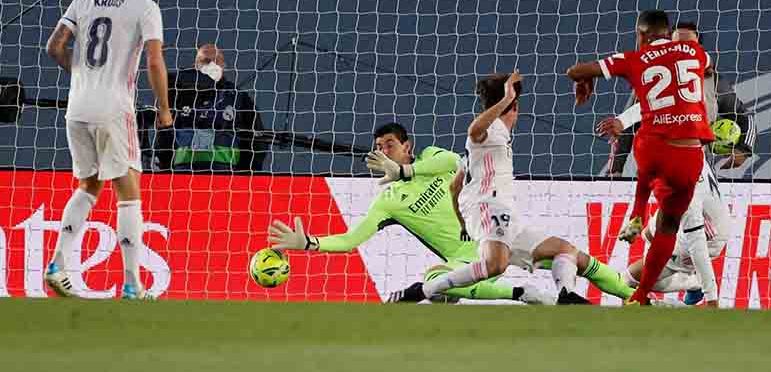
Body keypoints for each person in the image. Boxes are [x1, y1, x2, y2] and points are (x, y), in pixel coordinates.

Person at [393, 73, 636, 305]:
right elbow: (473, 132)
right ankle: (423, 290)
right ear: (515, 107)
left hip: (504, 215)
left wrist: (463, 224)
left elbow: (455, 186)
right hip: (489, 207)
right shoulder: (491, 130)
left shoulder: (487, 146)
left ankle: (566, 294)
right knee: (495, 265)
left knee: (566, 250)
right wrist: (508, 98)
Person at [268, 122, 552, 304]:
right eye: (379, 147)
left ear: (408, 146)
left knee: (568, 259)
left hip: (499, 237)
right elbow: (349, 241)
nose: (383, 151)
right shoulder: (388, 201)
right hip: (467, 260)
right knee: (435, 280)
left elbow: (456, 160)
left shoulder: (432, 158)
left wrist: (407, 171)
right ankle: (520, 293)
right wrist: (308, 243)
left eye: (389, 144)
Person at [44, 0, 171, 299]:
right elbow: (154, 62)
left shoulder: (82, 1)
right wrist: (164, 109)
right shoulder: (145, 6)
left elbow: (54, 46)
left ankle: (57, 264)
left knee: (88, 187)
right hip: (113, 109)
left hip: (78, 108)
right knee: (129, 195)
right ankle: (132, 283)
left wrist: (80, 74)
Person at [567, 9, 715, 305]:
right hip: (690, 155)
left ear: (642, 34)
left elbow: (575, 70)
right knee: (669, 226)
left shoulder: (633, 59)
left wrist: (585, 81)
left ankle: (636, 212)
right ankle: (641, 295)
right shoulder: (695, 52)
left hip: (654, 150)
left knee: (647, 150)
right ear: (668, 31)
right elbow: (707, 65)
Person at [597, 23, 736, 306]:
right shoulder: (670, 100)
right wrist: (622, 125)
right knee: (653, 236)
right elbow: (649, 108)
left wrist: (712, 298)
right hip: (689, 149)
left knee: (631, 278)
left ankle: (692, 284)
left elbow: (697, 241)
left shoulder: (706, 82)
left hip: (705, 234)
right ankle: (670, 287)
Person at [605, 21, 755, 176]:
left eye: (689, 45)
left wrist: (743, 149)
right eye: (677, 44)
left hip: (699, 174)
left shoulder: (713, 82)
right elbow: (626, 129)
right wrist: (614, 172)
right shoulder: (650, 82)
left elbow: (745, 117)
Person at [154, 43, 267, 173]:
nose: (211, 65)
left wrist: (245, 177)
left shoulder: (238, 98)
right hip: (183, 177)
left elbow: (258, 141)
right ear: (196, 65)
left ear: (223, 66)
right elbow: (164, 135)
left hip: (225, 177)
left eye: (216, 61)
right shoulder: (177, 94)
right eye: (206, 61)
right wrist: (164, 171)